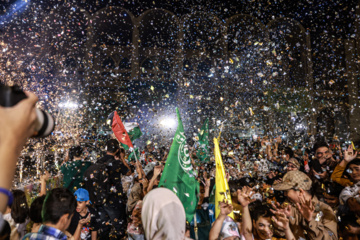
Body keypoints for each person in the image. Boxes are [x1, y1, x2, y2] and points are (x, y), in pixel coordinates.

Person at [83, 139, 129, 239]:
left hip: (100, 199)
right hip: (114, 199)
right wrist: (122, 159)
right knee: (119, 228)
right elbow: (129, 172)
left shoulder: (98, 162)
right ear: (117, 150)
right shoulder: (117, 163)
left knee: (104, 228)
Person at [272, 170, 338, 240]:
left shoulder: (324, 210)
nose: (285, 194)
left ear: (300, 191)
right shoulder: (289, 207)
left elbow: (331, 238)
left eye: (286, 191)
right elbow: (280, 234)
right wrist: (282, 220)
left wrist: (310, 221)